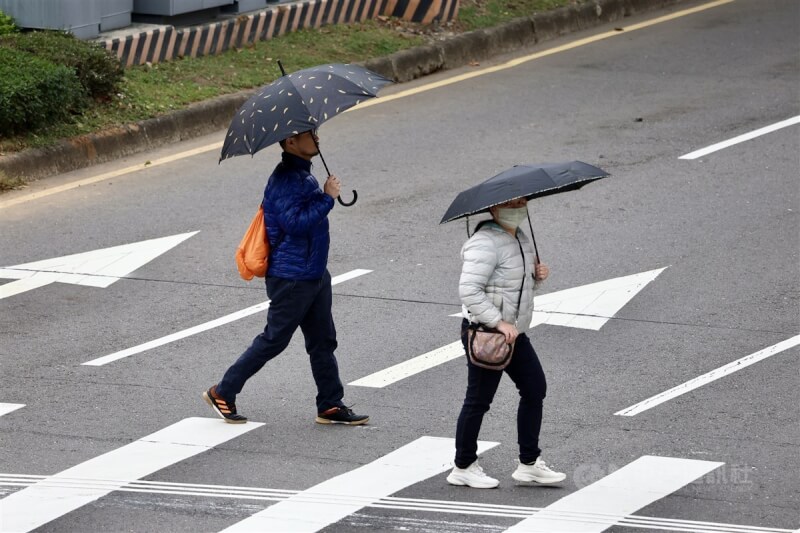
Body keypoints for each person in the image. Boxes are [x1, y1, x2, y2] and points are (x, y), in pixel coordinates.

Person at [203, 128, 368, 426]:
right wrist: (328, 198)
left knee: (322, 341)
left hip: (314, 273)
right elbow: (295, 224)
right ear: (291, 142)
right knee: (274, 340)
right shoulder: (285, 179)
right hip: (292, 278)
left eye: (316, 132)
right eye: (310, 134)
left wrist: (322, 195)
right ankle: (222, 391)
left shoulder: (303, 175)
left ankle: (330, 404)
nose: (317, 138)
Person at [447, 197, 565, 488]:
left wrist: (538, 278)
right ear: (494, 208)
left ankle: (529, 463)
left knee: (535, 388)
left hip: (514, 332)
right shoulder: (484, 242)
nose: (520, 207)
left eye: (523, 201)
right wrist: (497, 322)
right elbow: (469, 290)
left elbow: (513, 287)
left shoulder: (520, 238)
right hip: (488, 332)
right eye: (513, 203)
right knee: (478, 400)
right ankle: (463, 466)